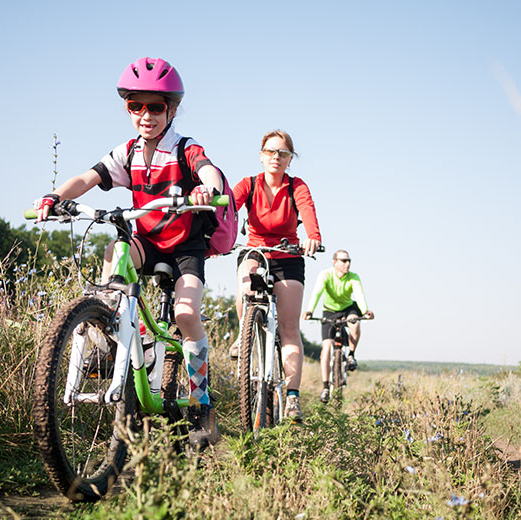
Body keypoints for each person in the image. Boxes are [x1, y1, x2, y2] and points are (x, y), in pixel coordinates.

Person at [33, 57, 224, 450]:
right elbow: (89, 177)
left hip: (185, 247)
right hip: (149, 240)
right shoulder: (128, 152)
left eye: (155, 106)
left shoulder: (184, 149)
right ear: (128, 109)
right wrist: (55, 197)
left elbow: (210, 171)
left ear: (170, 110)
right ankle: (114, 338)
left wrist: (206, 189)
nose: (145, 115)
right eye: (136, 106)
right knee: (114, 252)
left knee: (186, 314)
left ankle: (201, 401)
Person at [231, 130, 322, 421]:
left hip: (288, 254)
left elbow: (307, 210)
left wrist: (313, 237)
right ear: (261, 155)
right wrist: (213, 230)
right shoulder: (249, 183)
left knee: (289, 328)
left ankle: (293, 398)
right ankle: (244, 333)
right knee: (247, 275)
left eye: (283, 153)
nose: (276, 157)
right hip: (256, 249)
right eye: (271, 152)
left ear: (290, 159)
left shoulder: (297, 186)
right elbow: (229, 206)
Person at [304, 249, 374, 403]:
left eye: (349, 261)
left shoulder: (353, 277)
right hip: (329, 311)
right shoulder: (325, 275)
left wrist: (365, 311)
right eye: (343, 260)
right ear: (334, 262)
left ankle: (351, 355)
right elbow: (316, 293)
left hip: (348, 308)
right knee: (326, 349)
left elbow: (359, 295)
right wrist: (310, 310)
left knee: (354, 324)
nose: (347, 264)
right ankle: (325, 387)